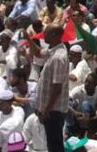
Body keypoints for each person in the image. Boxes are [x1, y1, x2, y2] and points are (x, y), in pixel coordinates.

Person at [35, 24, 69, 152]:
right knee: (52, 143)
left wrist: (46, 110)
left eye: (47, 33)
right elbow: (38, 52)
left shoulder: (58, 58)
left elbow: (57, 89)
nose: (44, 35)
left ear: (54, 36)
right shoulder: (53, 50)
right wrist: (27, 38)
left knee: (55, 145)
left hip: (54, 110)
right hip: (49, 109)